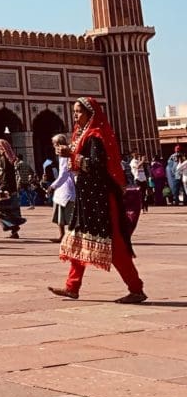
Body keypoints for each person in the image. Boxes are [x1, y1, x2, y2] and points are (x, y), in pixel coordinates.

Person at [50, 97, 146, 304]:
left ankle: (136, 288)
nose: (75, 115)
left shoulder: (95, 136)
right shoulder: (82, 135)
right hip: (87, 199)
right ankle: (72, 287)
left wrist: (71, 155)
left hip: (102, 200)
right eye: (74, 111)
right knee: (78, 241)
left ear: (90, 114)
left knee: (115, 246)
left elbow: (97, 166)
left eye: (79, 111)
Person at [0, 139, 27, 238]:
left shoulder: (3, 160)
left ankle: (13, 225)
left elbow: (4, 174)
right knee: (11, 209)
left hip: (6, 188)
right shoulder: (9, 159)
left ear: (1, 149)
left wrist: (2, 188)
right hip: (11, 188)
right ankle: (14, 230)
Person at [47, 133, 76, 243]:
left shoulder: (64, 155)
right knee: (61, 212)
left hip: (66, 187)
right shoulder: (66, 153)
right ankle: (63, 235)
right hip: (64, 187)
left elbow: (63, 174)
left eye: (54, 144)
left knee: (68, 214)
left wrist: (52, 186)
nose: (53, 146)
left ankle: (67, 236)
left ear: (58, 144)